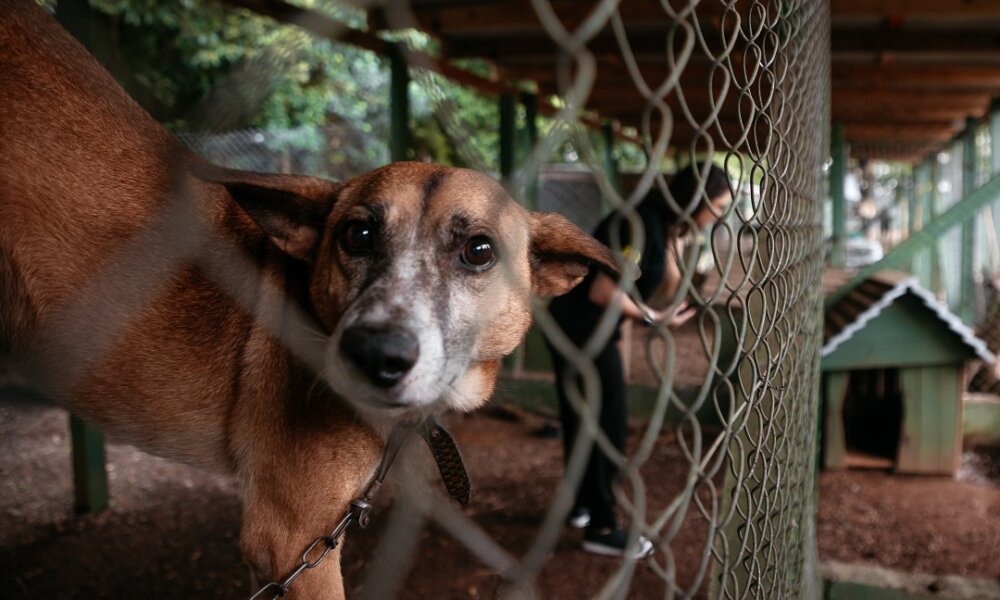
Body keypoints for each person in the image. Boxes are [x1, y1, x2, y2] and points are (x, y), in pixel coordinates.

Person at [545, 163, 732, 557]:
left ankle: (583, 505)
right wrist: (653, 317)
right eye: (717, 205)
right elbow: (601, 290)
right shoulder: (641, 225)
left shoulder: (657, 224)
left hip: (579, 325)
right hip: (584, 326)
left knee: (583, 416)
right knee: (609, 421)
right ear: (695, 200)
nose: (720, 216)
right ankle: (603, 525)